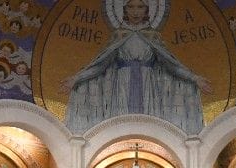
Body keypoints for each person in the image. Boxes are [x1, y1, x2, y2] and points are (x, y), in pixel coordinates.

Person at [63, 0, 211, 134]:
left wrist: (194, 78)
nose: (135, 11)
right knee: (121, 126)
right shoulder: (119, 35)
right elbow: (100, 65)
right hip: (123, 85)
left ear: (147, 10)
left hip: (148, 86)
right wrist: (76, 79)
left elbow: (171, 65)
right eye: (131, 7)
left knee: (150, 127)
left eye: (140, 7)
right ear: (124, 10)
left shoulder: (153, 36)